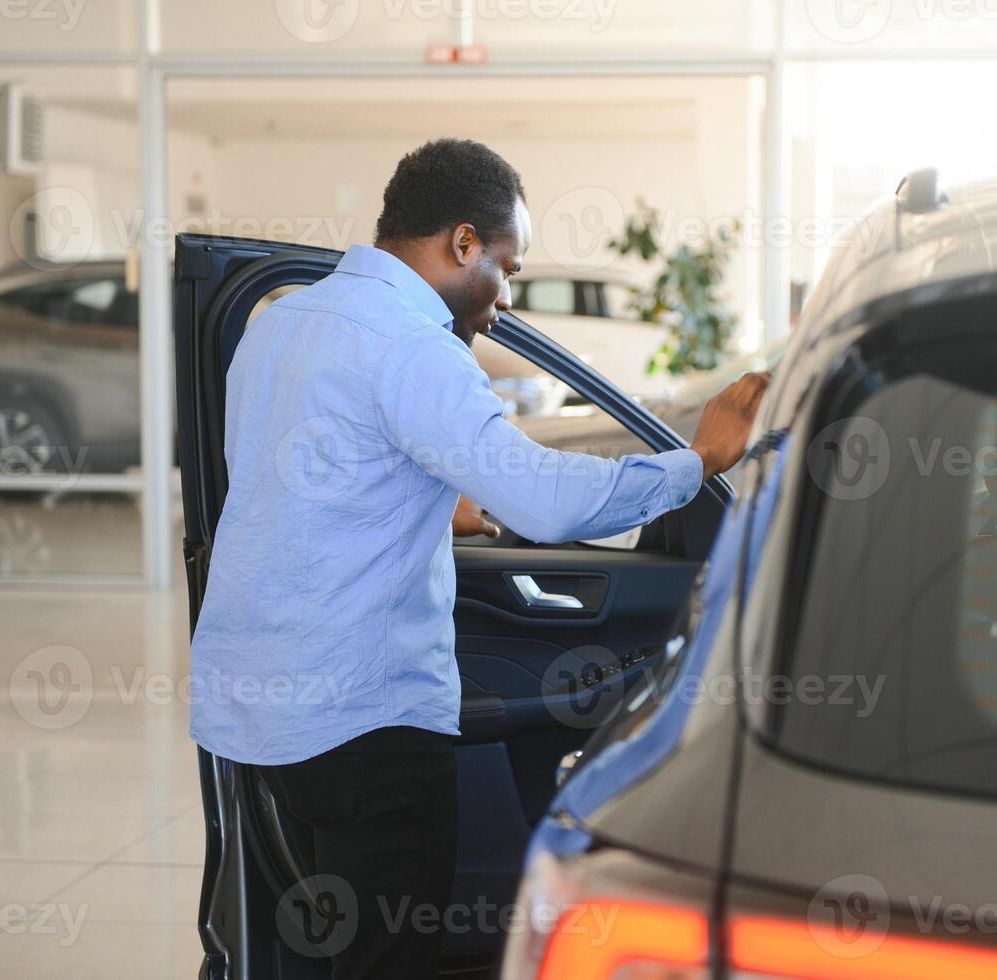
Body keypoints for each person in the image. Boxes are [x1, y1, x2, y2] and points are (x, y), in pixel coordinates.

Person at [188, 138, 768, 978]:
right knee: (387, 959)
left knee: (319, 941)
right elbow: (549, 501)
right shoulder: (416, 348)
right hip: (364, 721)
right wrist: (700, 460)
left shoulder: (280, 323)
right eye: (507, 267)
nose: (504, 298)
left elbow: (300, 482)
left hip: (263, 710)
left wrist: (421, 501)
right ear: (463, 243)